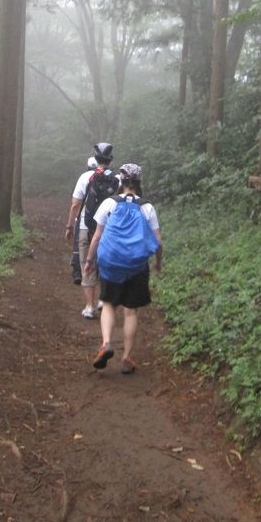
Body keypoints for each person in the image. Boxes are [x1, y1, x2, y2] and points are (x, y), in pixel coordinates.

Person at [84, 163, 162, 374]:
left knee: (108, 304)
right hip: (136, 265)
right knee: (130, 311)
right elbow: (158, 241)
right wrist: (158, 263)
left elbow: (97, 236)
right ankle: (126, 357)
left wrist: (89, 260)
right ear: (138, 183)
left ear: (121, 181)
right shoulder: (147, 207)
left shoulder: (109, 203)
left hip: (110, 262)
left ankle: (107, 343)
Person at [65, 142, 118, 318]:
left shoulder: (85, 177)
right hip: (109, 230)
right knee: (105, 262)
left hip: (86, 227)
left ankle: (89, 307)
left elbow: (75, 204)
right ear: (110, 159)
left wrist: (70, 226)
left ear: (95, 159)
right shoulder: (116, 179)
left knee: (86, 265)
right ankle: (103, 299)